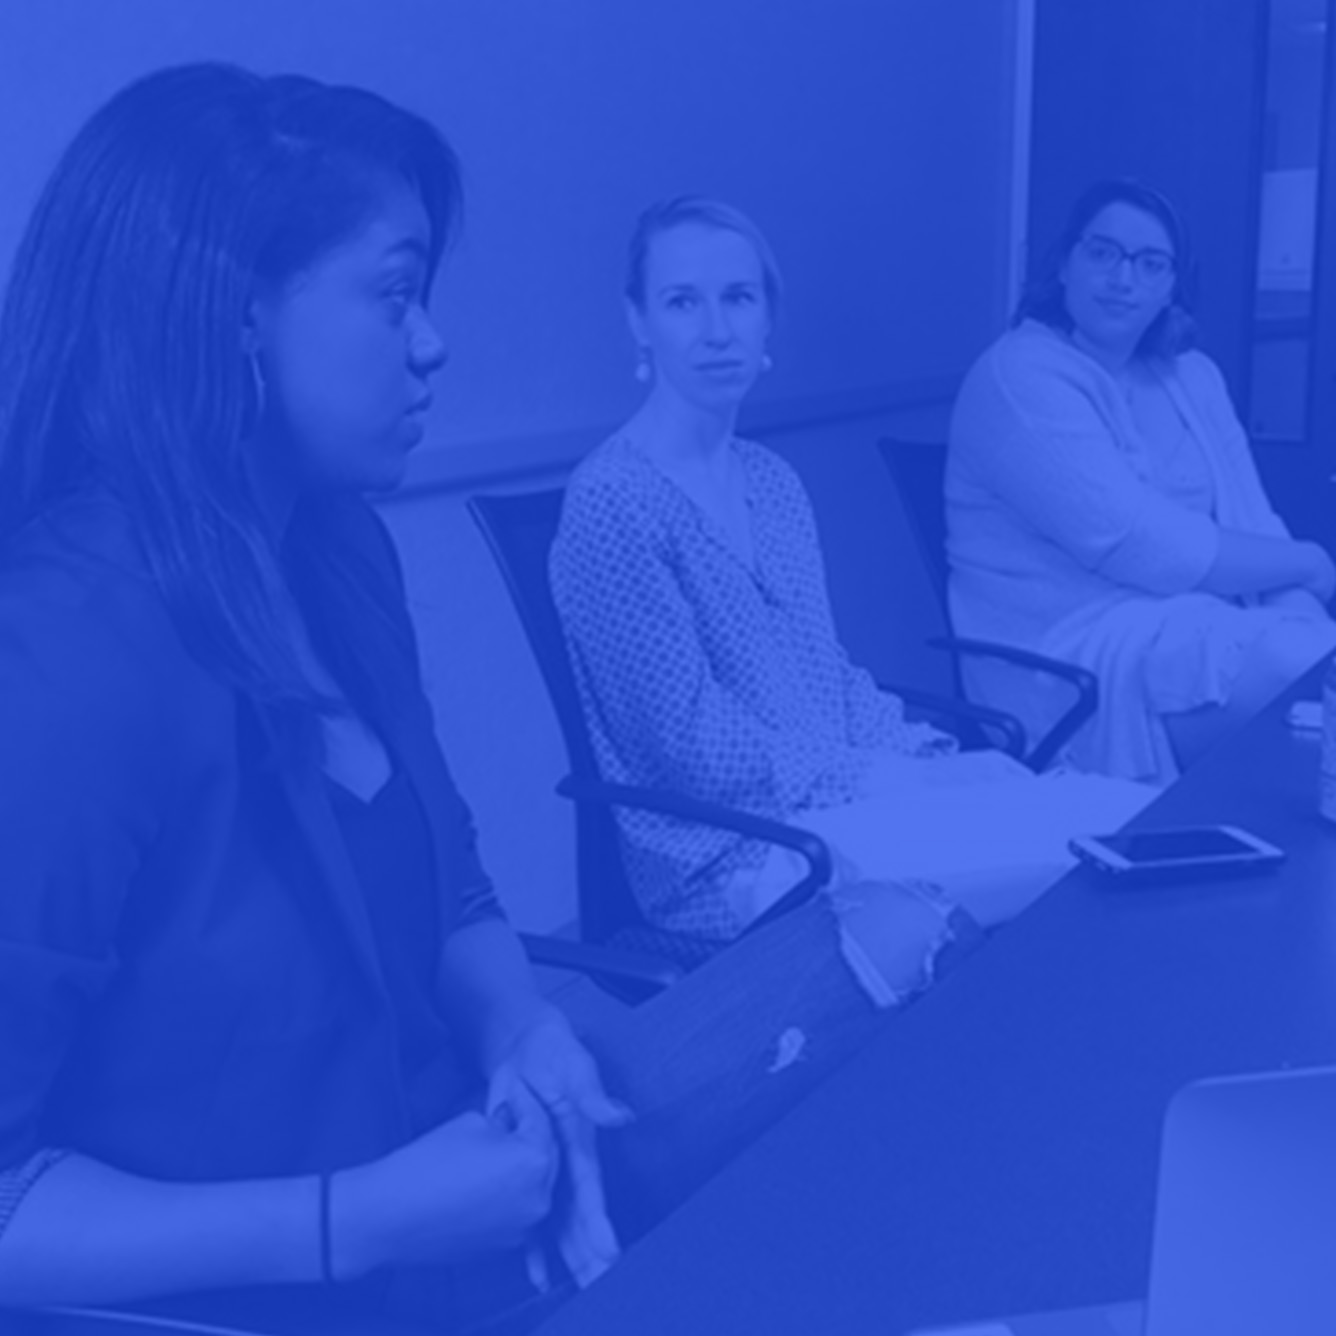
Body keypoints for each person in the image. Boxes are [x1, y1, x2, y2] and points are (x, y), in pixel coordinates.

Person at [550, 197, 1152, 1007]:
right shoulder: (613, 503)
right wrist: (870, 780)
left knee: (1104, 806)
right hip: (731, 854)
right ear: (639, 322)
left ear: (769, 320)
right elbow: (686, 746)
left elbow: (826, 677)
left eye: (739, 298)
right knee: (1074, 853)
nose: (716, 329)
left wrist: (924, 760)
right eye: (682, 302)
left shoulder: (771, 483)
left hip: (833, 811)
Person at [947, 179, 1336, 784]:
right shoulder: (1019, 376)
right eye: (1103, 253)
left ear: (1172, 286)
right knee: (1296, 665)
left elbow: (1257, 526)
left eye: (1150, 263)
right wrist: (1311, 565)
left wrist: (1314, 621)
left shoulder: (1192, 377)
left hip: (1202, 625)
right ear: (1066, 263)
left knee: (1316, 664)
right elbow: (1144, 545)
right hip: (1074, 658)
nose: (1123, 278)